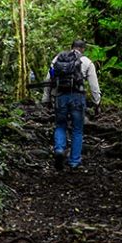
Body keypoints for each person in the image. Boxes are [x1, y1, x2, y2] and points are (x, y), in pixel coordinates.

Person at [41, 39, 102, 171]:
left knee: (60, 126)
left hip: (60, 97)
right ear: (83, 49)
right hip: (77, 98)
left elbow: (48, 79)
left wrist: (46, 99)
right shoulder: (86, 62)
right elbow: (94, 85)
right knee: (77, 129)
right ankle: (74, 161)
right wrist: (97, 102)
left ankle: (59, 149)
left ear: (71, 47)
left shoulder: (58, 59)